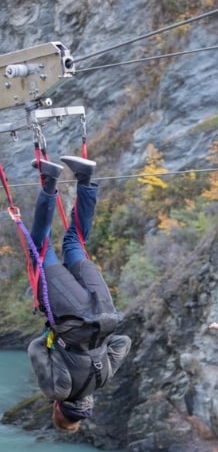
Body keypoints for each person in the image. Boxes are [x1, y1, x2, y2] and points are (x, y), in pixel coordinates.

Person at [26, 156, 131, 432]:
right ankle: (49, 182)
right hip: (73, 317)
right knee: (40, 249)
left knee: (75, 240)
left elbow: (123, 342)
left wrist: (94, 345)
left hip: (106, 313)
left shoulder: (102, 379)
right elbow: (35, 349)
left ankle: (85, 178)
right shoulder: (58, 391)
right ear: (58, 408)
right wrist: (54, 337)